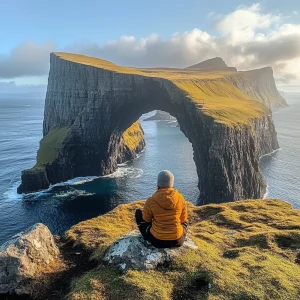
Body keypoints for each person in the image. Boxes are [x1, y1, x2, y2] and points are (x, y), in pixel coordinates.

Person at [135, 170, 188, 248]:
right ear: (171, 184)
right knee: (185, 224)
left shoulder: (151, 200)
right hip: (177, 240)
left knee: (138, 213)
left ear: (158, 184)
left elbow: (146, 220)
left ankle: (148, 236)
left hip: (157, 241)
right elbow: (183, 219)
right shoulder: (180, 198)